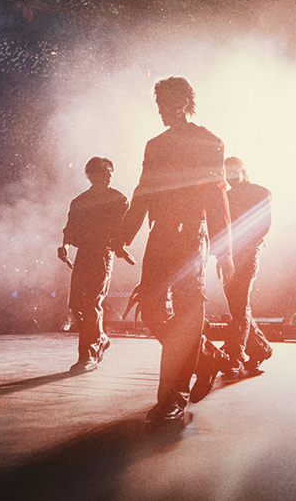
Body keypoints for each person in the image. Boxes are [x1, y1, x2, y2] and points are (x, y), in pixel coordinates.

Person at [115, 77, 233, 423]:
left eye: (164, 105)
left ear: (182, 103)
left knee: (187, 314)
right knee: (151, 309)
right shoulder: (154, 145)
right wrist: (124, 236)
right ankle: (207, 357)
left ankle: (173, 398)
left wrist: (224, 249)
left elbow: (216, 195)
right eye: (158, 106)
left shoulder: (209, 142)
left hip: (191, 237)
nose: (160, 112)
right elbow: (143, 190)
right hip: (160, 235)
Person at [59, 156, 129, 374]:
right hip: (84, 255)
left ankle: (88, 355)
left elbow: (121, 231)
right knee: (76, 304)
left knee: (91, 303)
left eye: (110, 174)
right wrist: (65, 247)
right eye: (103, 174)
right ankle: (99, 339)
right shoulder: (79, 201)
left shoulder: (119, 199)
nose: (108, 178)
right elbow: (70, 230)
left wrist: (119, 247)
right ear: (91, 176)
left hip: (102, 255)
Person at [220, 156, 273, 374]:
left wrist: (242, 249)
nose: (231, 178)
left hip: (247, 255)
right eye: (227, 174)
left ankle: (236, 355)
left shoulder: (260, 192)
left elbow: (264, 225)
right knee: (238, 306)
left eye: (234, 172)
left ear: (243, 170)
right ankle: (260, 349)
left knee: (239, 305)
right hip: (231, 257)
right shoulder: (226, 196)